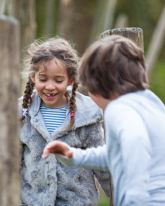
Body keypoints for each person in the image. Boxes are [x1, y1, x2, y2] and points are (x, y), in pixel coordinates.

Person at [42, 35, 165, 206]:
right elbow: (118, 153)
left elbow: (136, 140)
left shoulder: (118, 109)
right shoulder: (152, 103)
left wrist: (135, 198)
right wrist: (76, 156)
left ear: (97, 87)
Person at [18, 37, 111, 206]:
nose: (50, 86)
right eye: (43, 79)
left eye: (58, 80)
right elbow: (12, 162)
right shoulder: (23, 113)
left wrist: (119, 195)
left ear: (70, 80)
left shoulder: (87, 116)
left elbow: (101, 163)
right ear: (33, 77)